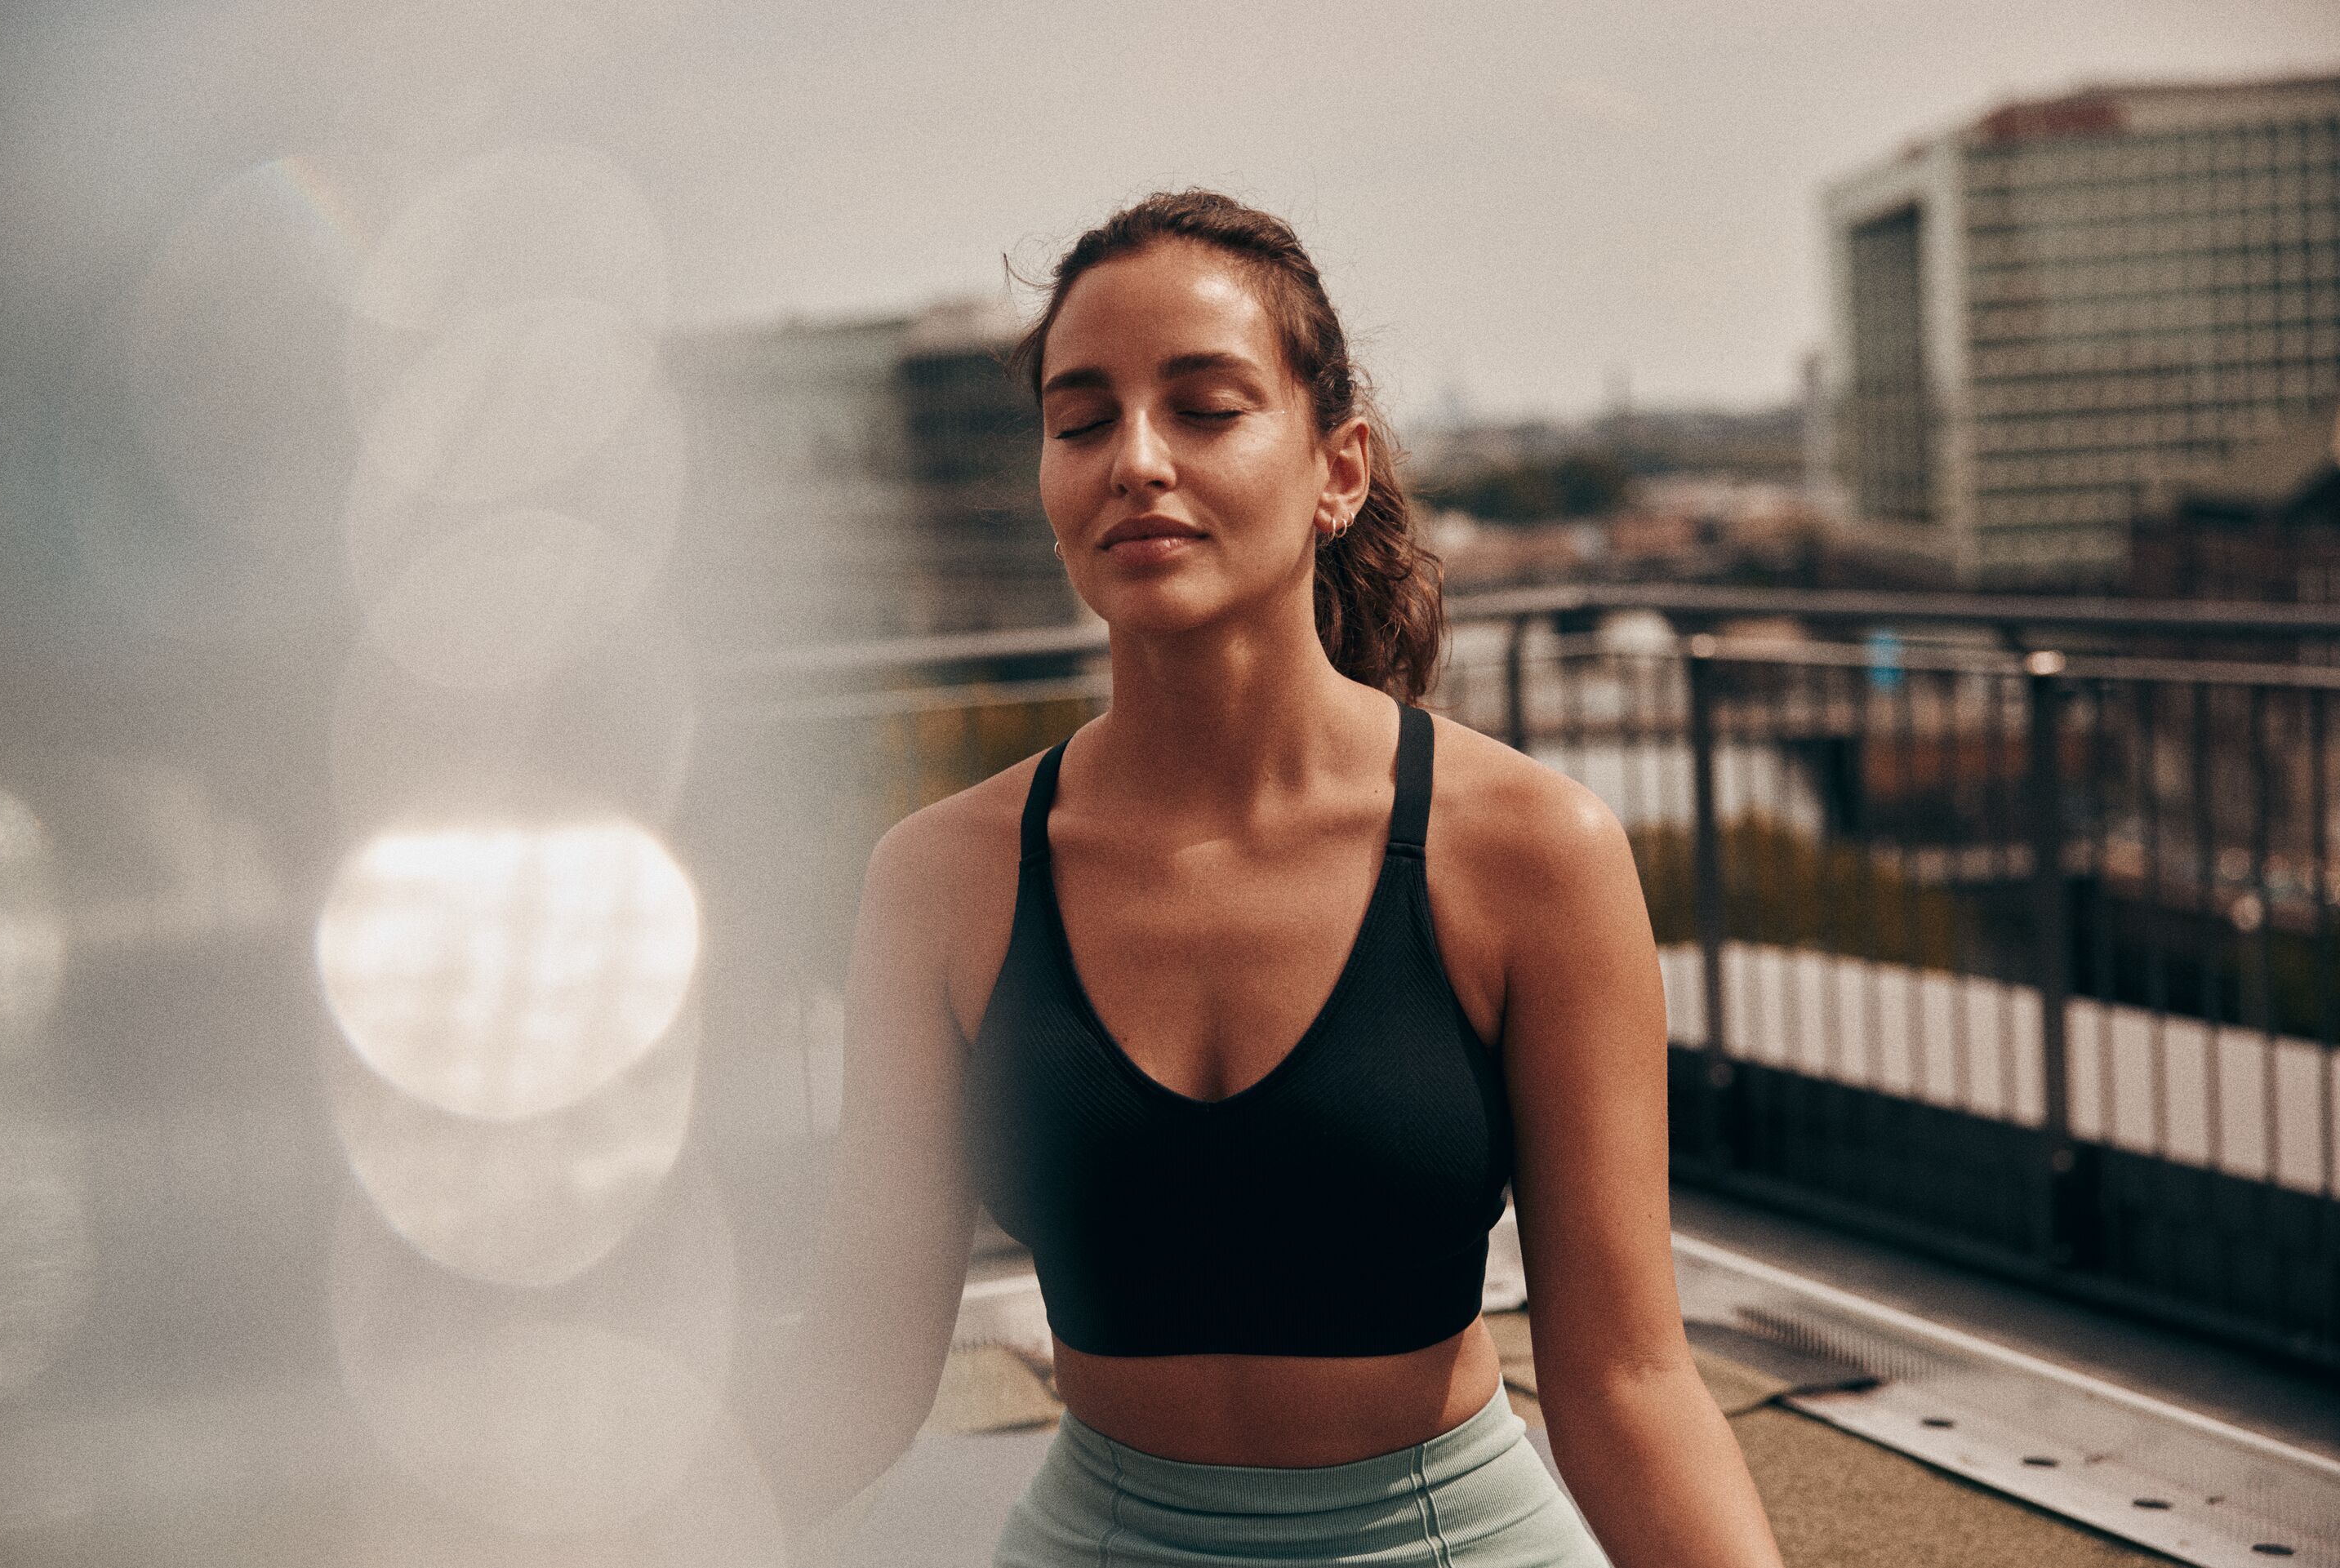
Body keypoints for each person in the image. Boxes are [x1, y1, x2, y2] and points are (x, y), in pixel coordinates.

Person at [761, 190, 1783, 1566]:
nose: (1135, 460)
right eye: (1081, 421)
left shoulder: (1534, 855)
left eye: (1204, 408)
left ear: (1337, 468)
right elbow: (859, 1367)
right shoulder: (942, 880)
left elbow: (1630, 1384)